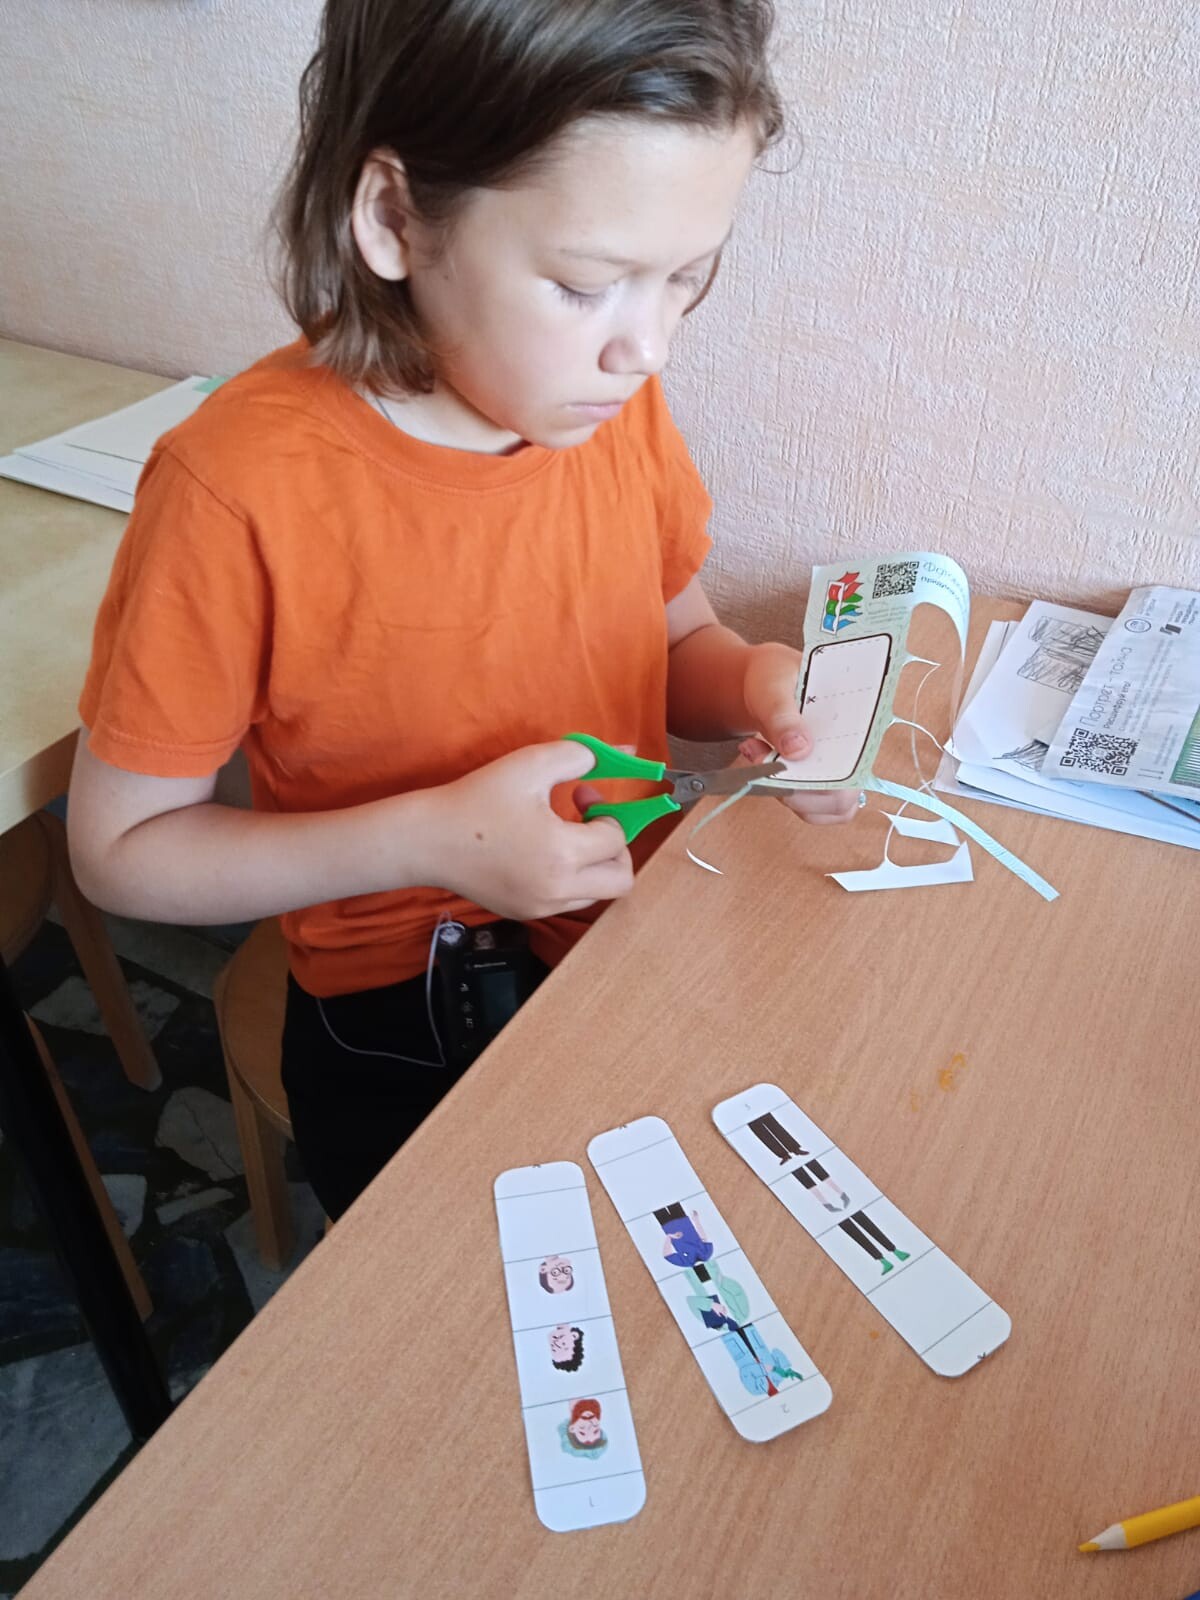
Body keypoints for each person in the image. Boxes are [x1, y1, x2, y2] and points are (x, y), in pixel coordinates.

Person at [67, 0, 858, 1222]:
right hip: (408, 1017)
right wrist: (433, 841)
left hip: (623, 937)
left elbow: (672, 644)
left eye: (688, 279)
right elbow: (121, 852)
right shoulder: (236, 491)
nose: (648, 347)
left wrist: (757, 684)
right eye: (587, 285)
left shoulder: (605, 409)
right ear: (394, 217)